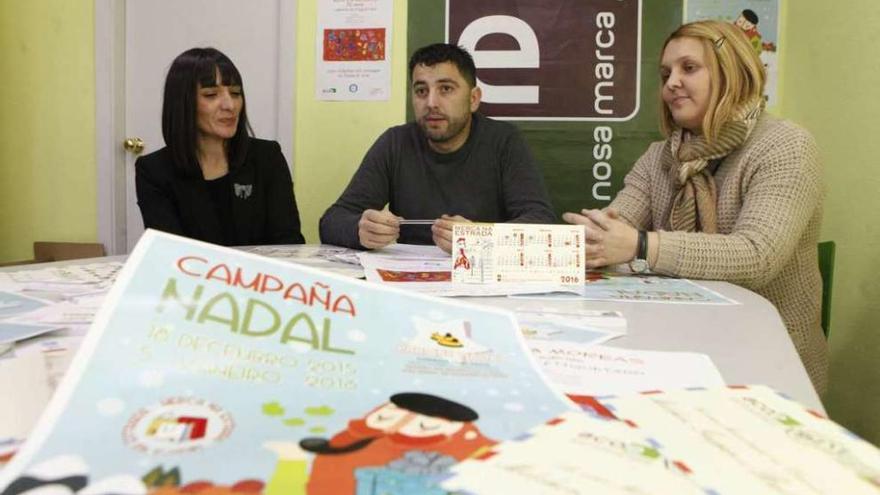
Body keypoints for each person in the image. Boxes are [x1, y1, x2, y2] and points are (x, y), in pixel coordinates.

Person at [563, 21, 827, 393]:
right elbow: (615, 225)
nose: (671, 83)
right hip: (673, 345)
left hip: (767, 363)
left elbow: (757, 256)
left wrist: (641, 246)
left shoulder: (786, 146)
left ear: (733, 72)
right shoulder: (659, 156)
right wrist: (591, 237)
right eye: (666, 73)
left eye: (689, 68)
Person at [319, 43, 555, 253]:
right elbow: (331, 220)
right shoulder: (395, 142)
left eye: (446, 89)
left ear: (473, 99)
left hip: (482, 284)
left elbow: (541, 222)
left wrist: (480, 240)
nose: (431, 103)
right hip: (408, 287)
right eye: (421, 91)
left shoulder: (504, 141)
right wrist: (360, 229)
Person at [135, 47, 305, 246]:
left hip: (259, 276)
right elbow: (170, 253)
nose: (229, 105)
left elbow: (288, 242)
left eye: (235, 93)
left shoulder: (267, 157)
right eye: (211, 94)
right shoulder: (154, 170)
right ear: (183, 103)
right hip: (193, 276)